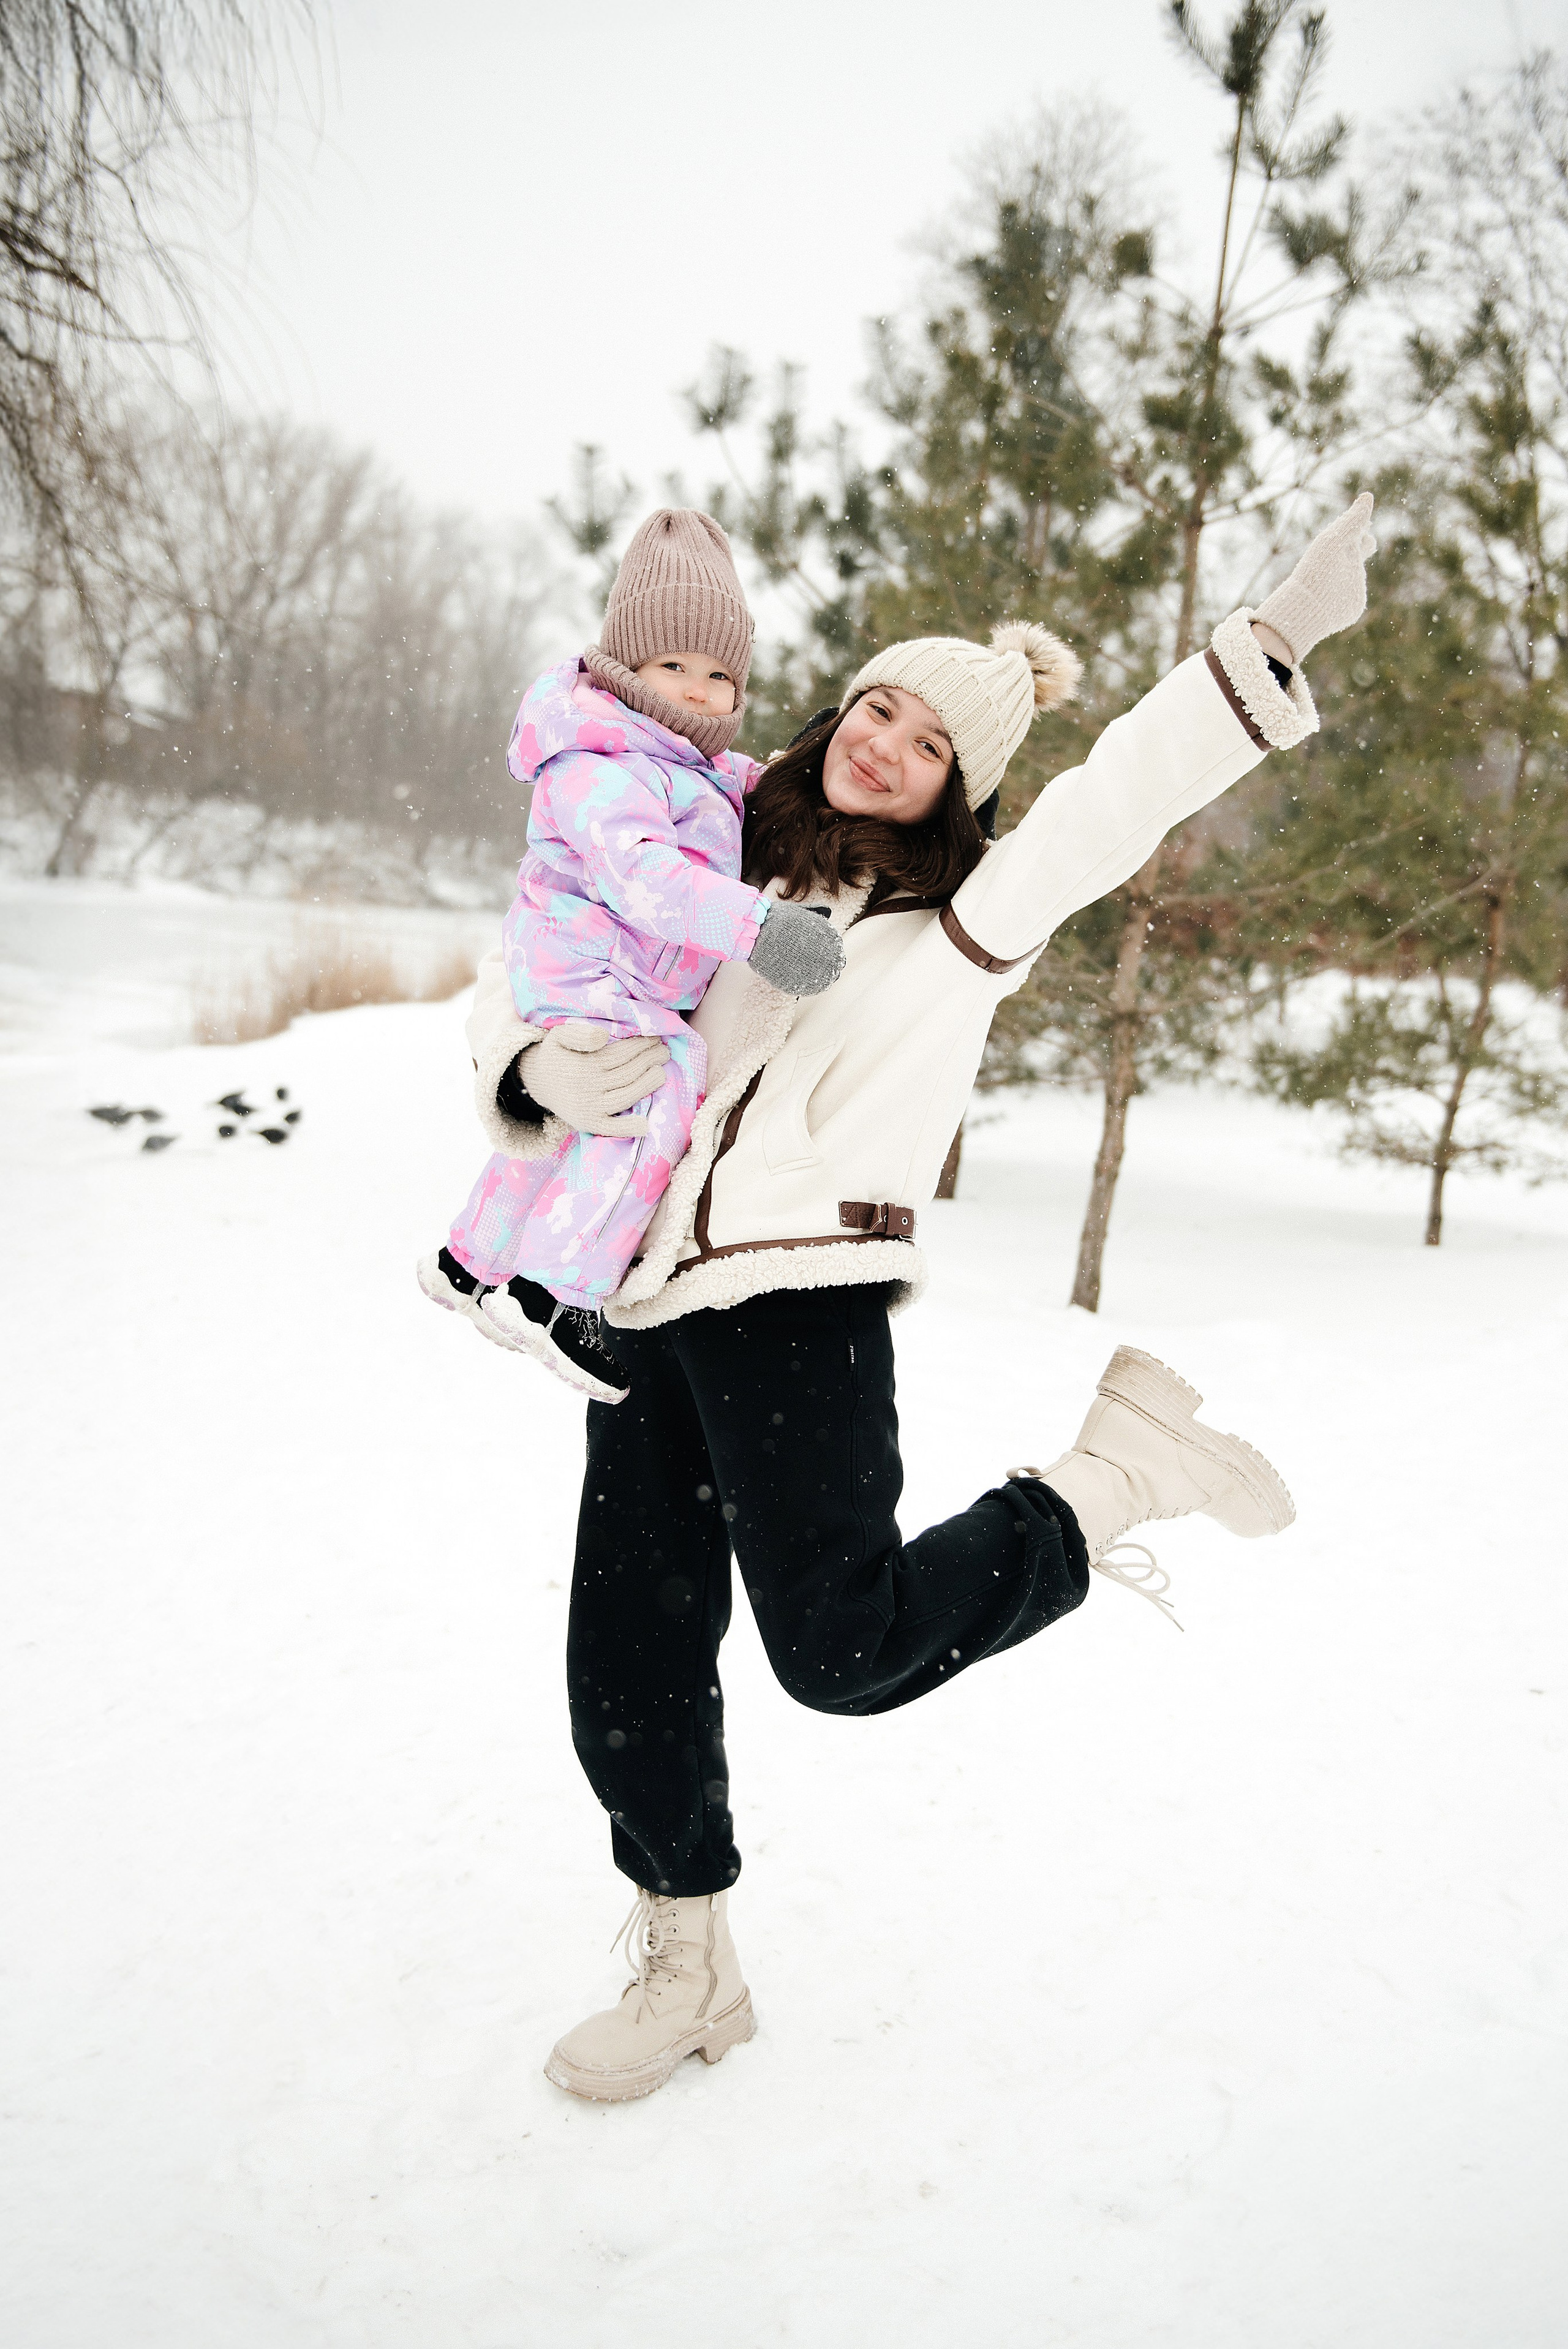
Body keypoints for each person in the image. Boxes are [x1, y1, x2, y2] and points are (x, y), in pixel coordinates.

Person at [464, 495, 1379, 2101]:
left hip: (800, 1308)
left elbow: (1112, 803)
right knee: (628, 1648)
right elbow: (538, 958)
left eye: (932, 742)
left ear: (961, 789)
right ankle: (690, 1963)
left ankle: (1116, 1476)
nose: (888, 742)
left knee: (845, 1649)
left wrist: (1270, 639)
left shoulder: (959, 928)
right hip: (644, 1305)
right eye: (877, 704)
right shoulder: (709, 849)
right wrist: (530, 1070)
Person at [418, 508, 844, 1400]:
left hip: (607, 971)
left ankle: (470, 1260)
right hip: (589, 967)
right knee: (659, 1085)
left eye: (720, 674)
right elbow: (645, 880)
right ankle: (557, 1294)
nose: (697, 690)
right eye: (675, 667)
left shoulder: (683, 765)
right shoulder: (598, 765)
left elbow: (737, 791)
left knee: (575, 1119)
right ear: (626, 668)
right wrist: (763, 931)